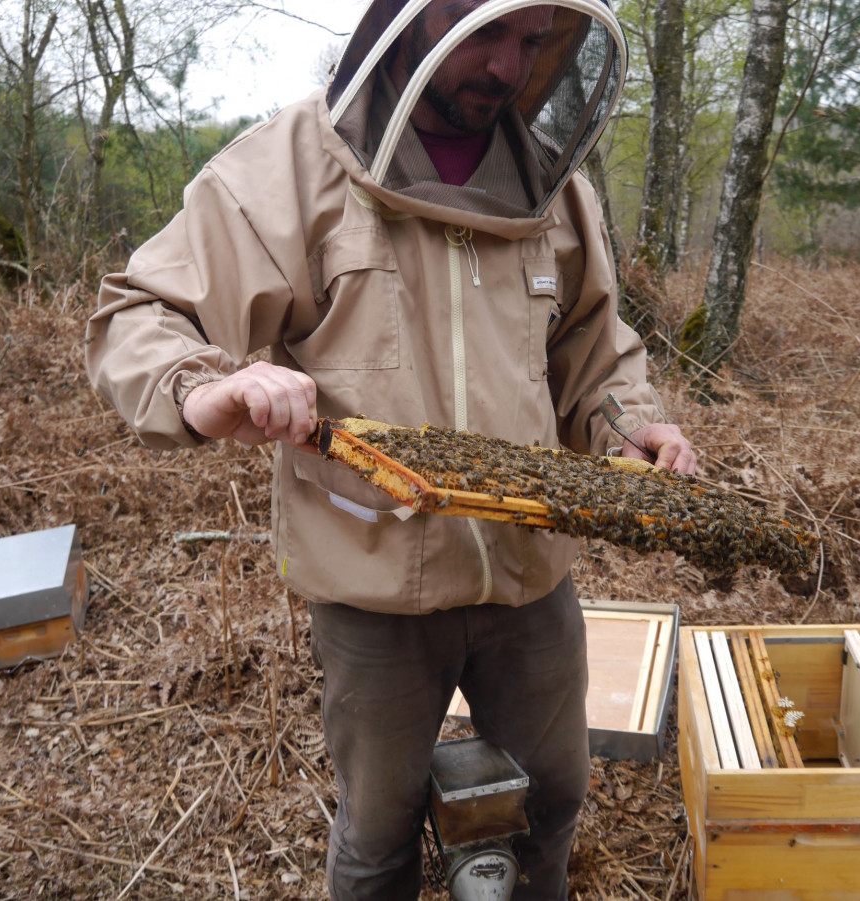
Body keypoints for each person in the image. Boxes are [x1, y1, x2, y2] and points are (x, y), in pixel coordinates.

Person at [85, 1, 696, 898]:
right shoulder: (285, 170)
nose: (507, 68)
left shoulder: (552, 182)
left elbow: (589, 348)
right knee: (379, 833)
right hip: (374, 584)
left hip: (531, 577)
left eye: (531, 43)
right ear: (411, 23)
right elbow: (140, 315)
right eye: (485, 34)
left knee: (554, 800)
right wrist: (205, 385)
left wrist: (627, 422)